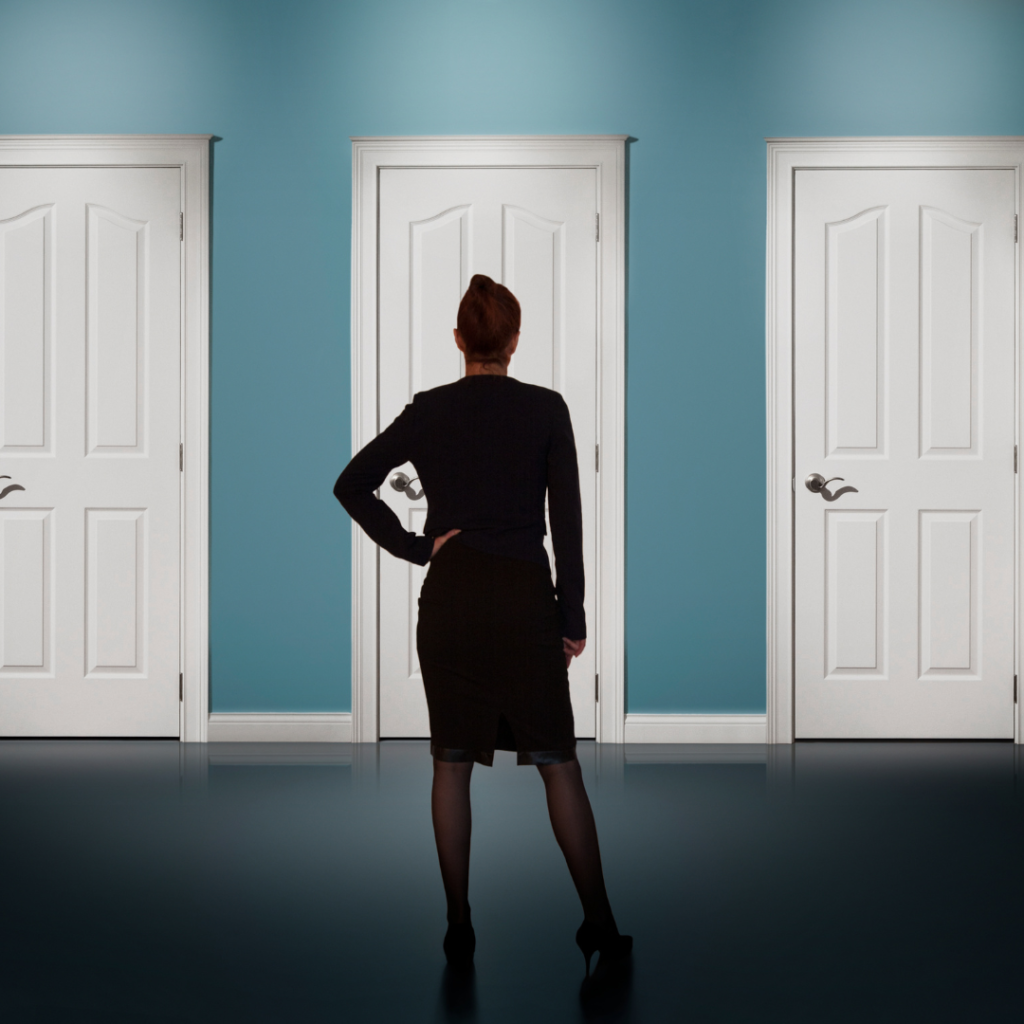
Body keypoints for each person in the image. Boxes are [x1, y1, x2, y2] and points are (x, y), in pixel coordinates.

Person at [334, 274, 630, 974]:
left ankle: (459, 927)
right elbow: (568, 523)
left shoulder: (429, 411)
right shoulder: (546, 410)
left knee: (451, 761)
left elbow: (352, 483)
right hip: (526, 597)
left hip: (453, 599)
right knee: (558, 765)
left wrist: (415, 546)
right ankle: (600, 925)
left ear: (460, 340)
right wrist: (573, 613)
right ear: (515, 340)